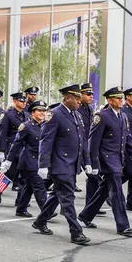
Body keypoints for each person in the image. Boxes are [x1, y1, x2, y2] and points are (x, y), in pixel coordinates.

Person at [31, 84, 91, 245]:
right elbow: (46, 140)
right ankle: (76, 232)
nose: (80, 101)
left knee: (58, 195)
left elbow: (82, 141)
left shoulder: (76, 115)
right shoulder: (55, 114)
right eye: (77, 98)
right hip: (60, 164)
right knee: (67, 198)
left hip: (72, 164)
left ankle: (40, 221)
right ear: (67, 98)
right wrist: (43, 164)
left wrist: (87, 162)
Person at [79, 87, 132, 236]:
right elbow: (93, 142)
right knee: (117, 193)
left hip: (118, 160)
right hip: (107, 161)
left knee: (104, 190)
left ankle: (86, 215)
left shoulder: (123, 116)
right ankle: (123, 225)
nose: (121, 101)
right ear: (109, 100)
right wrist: (93, 163)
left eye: (121, 98)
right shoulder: (102, 116)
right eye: (117, 98)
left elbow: (128, 140)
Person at [3, 100, 49, 217]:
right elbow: (16, 143)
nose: (42, 113)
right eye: (39, 111)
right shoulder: (26, 126)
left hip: (39, 161)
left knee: (29, 186)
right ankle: (46, 211)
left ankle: (21, 208)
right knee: (39, 185)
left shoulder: (45, 126)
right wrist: (8, 159)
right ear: (32, 113)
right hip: (28, 160)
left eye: (44, 111)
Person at [0, 92, 29, 201]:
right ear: (14, 101)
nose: (24, 103)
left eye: (25, 101)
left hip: (24, 149)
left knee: (24, 175)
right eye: (21, 101)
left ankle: (20, 201)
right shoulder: (8, 114)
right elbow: (2, 133)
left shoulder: (27, 115)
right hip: (12, 148)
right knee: (10, 173)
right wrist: (1, 150)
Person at [77, 82, 96, 197]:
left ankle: (91, 206)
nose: (91, 96)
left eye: (92, 94)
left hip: (87, 147)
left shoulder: (89, 109)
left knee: (93, 176)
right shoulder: (77, 109)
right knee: (60, 181)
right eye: (88, 94)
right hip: (78, 147)